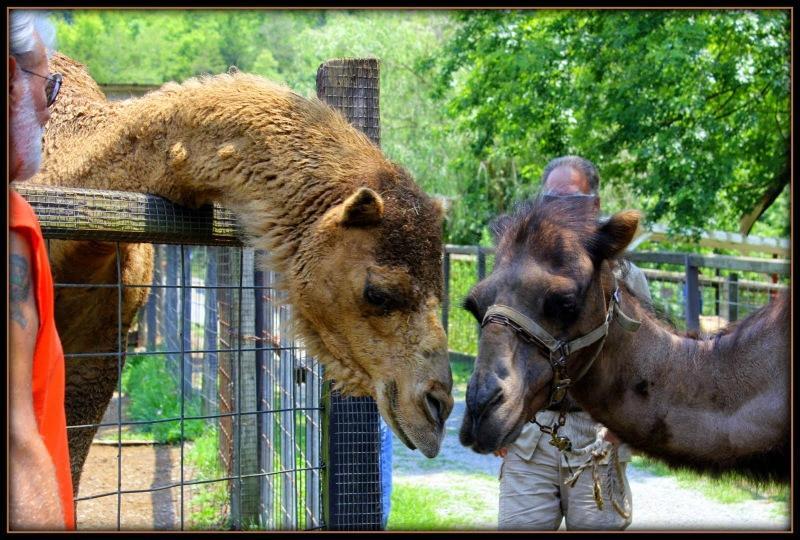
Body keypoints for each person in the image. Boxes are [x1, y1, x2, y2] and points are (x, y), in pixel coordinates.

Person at [495, 155, 652, 531]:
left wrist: (619, 431)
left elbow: (644, 365)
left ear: (594, 205)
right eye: (551, 200)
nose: (560, 210)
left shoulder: (625, 277)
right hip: (531, 439)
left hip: (598, 442)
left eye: (572, 201)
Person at [9, 10, 74, 530]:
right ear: (10, 82)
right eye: (48, 88)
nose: (51, 110)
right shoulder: (12, 227)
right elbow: (15, 439)